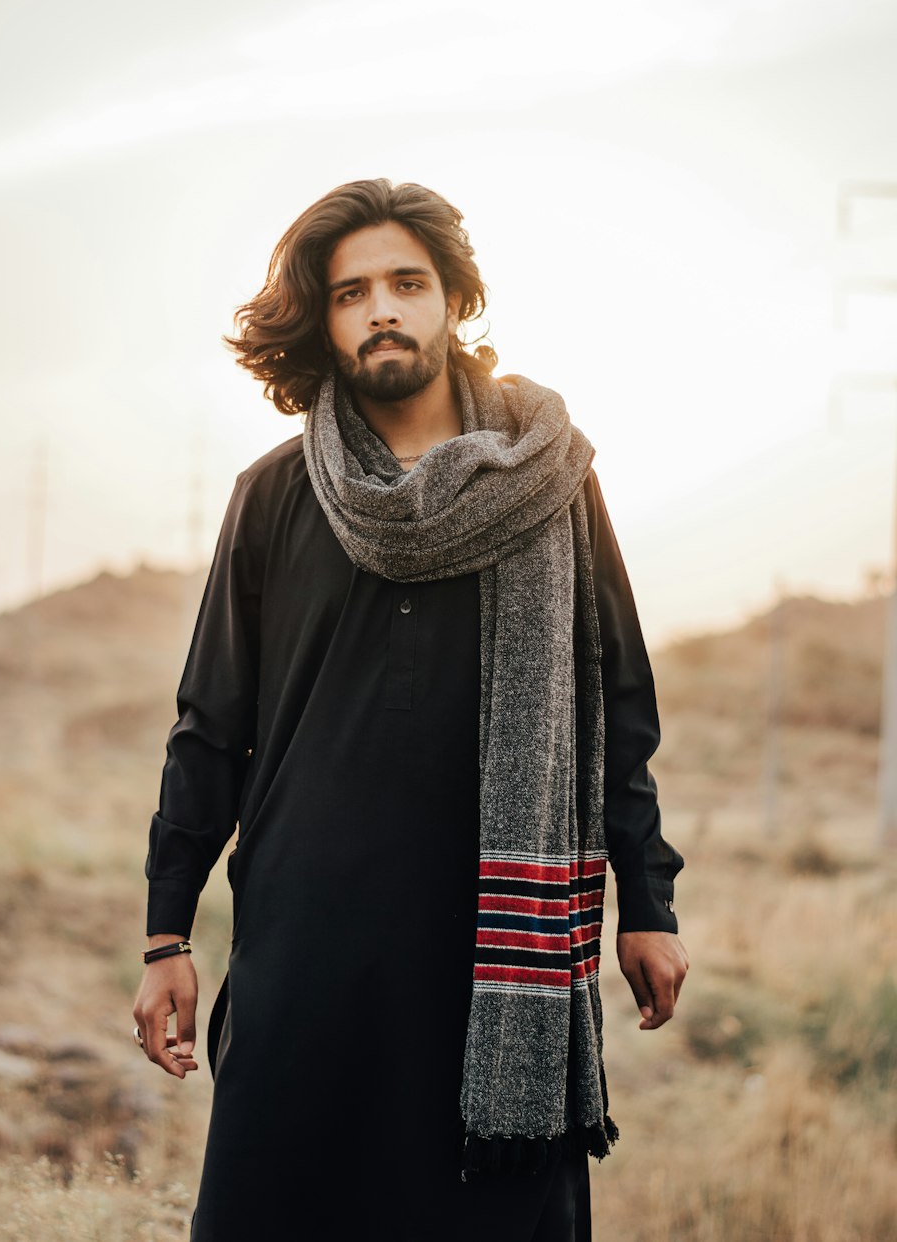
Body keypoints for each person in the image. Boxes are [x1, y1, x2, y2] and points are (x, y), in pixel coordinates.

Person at [132, 178, 688, 1242]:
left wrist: (648, 901)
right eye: (350, 293)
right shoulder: (274, 493)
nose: (380, 308)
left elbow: (618, 701)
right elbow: (210, 722)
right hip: (306, 939)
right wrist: (167, 927)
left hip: (491, 937)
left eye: (405, 282)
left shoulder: (553, 483)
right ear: (324, 320)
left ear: (452, 298)